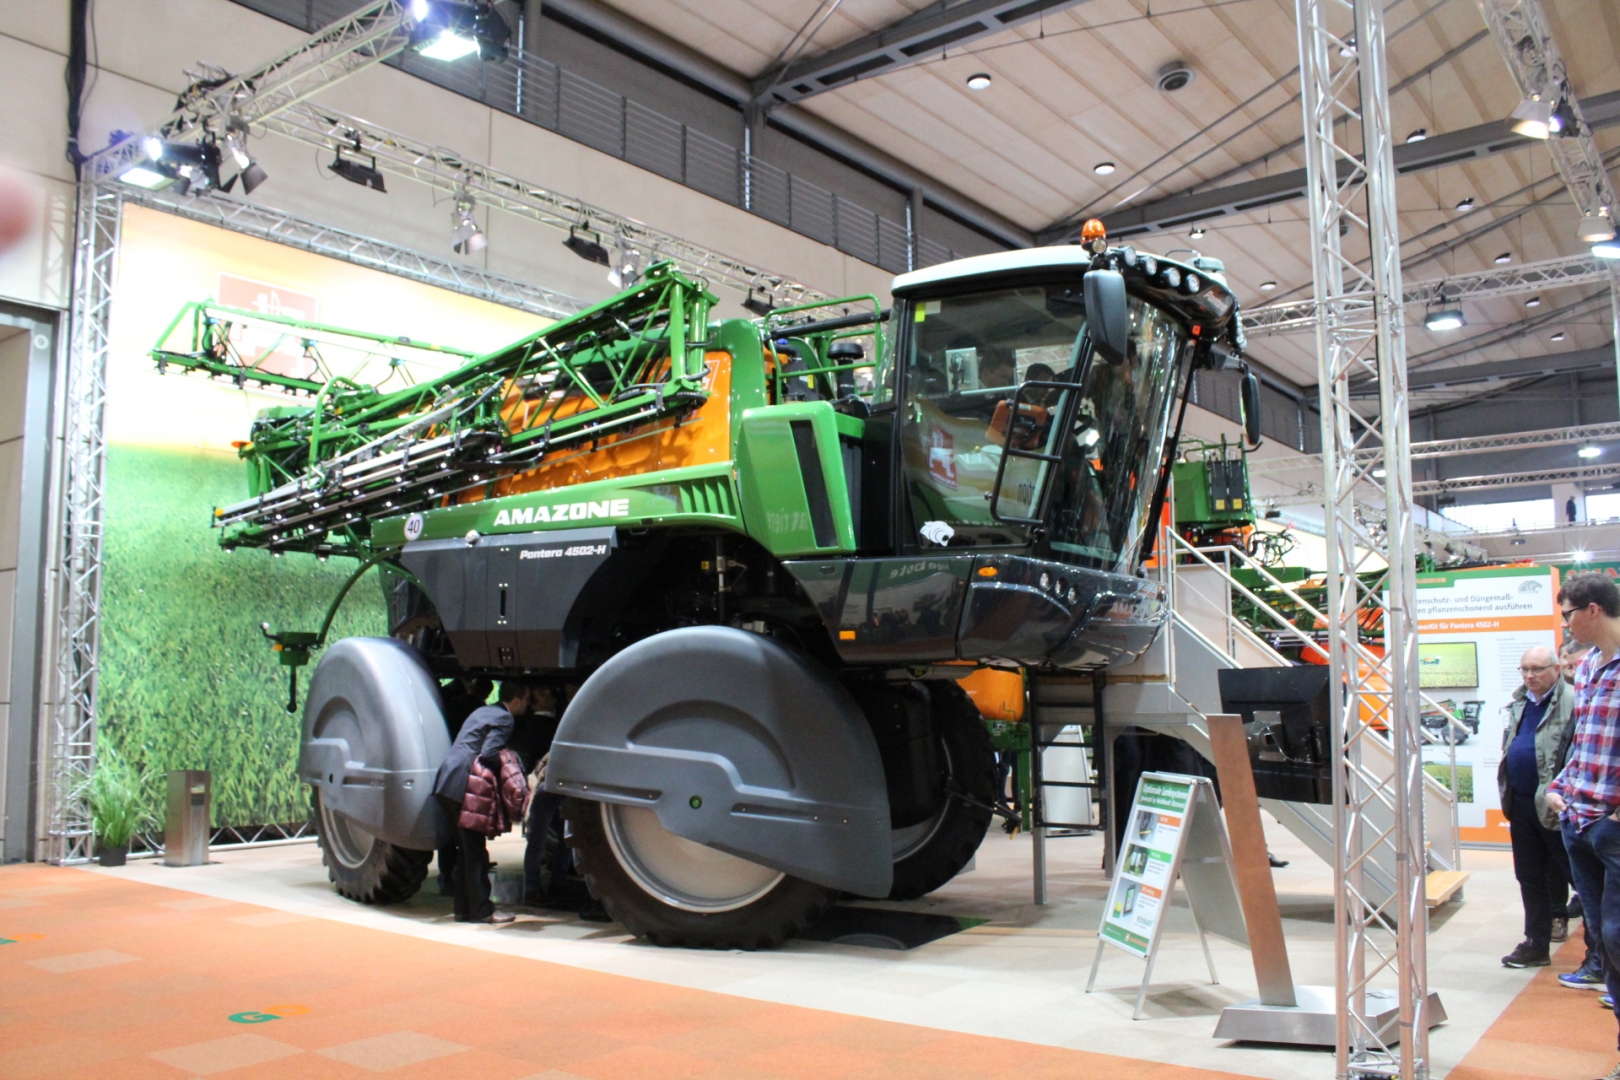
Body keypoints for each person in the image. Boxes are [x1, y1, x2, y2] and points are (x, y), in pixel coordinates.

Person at [1545, 572, 1620, 1077]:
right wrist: (1562, 788)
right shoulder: (1590, 666)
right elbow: (1586, 738)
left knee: (1618, 935)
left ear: (1594, 610)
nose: (1565, 624)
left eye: (1568, 614)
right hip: (1579, 818)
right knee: (1605, 941)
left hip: (1613, 826)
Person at [1498, 646, 1578, 967]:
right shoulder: (1520, 703)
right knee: (1529, 876)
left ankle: (1601, 954)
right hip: (1521, 803)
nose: (1530, 676)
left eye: (1537, 669)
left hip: (1559, 806)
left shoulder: (1573, 701)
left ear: (1556, 669)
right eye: (1525, 669)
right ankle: (1536, 944)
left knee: (1579, 878)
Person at [432, 680, 530, 923]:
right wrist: (510, 767)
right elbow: (489, 753)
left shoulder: (483, 711)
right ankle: (482, 911)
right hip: (464, 785)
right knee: (475, 851)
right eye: (526, 700)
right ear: (516, 700)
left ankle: (463, 909)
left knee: (465, 851)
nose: (527, 705)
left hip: (446, 780)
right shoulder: (505, 719)